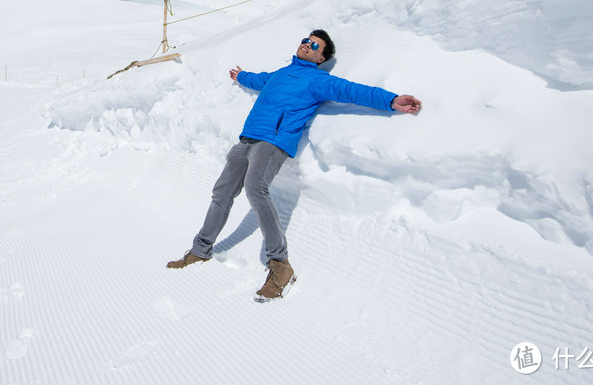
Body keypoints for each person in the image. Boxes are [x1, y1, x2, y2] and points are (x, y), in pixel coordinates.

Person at [166, 29, 422, 301]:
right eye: (305, 41)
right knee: (222, 193)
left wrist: (391, 100)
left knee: (256, 189)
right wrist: (242, 76)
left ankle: (280, 265)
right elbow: (260, 80)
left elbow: (351, 91)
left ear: (321, 56)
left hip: (273, 143)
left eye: (314, 45)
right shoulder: (280, 74)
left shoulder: (318, 80)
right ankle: (201, 249)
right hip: (246, 140)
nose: (306, 45)